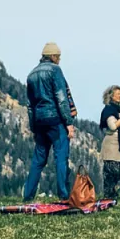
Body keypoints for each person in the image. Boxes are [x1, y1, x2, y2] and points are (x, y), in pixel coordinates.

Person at [23, 42, 75, 201]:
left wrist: (33, 127)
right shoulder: (55, 71)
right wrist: (69, 123)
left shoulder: (31, 74)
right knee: (61, 156)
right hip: (55, 120)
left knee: (38, 159)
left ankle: (28, 196)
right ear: (52, 56)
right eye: (58, 57)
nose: (59, 60)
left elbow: (30, 105)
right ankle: (64, 195)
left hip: (39, 121)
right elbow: (61, 98)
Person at [100, 85, 120, 198]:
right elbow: (112, 126)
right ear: (111, 96)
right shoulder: (109, 110)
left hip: (119, 144)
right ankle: (108, 195)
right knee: (111, 172)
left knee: (119, 173)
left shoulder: (119, 110)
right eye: (118, 94)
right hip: (111, 144)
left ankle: (114, 194)